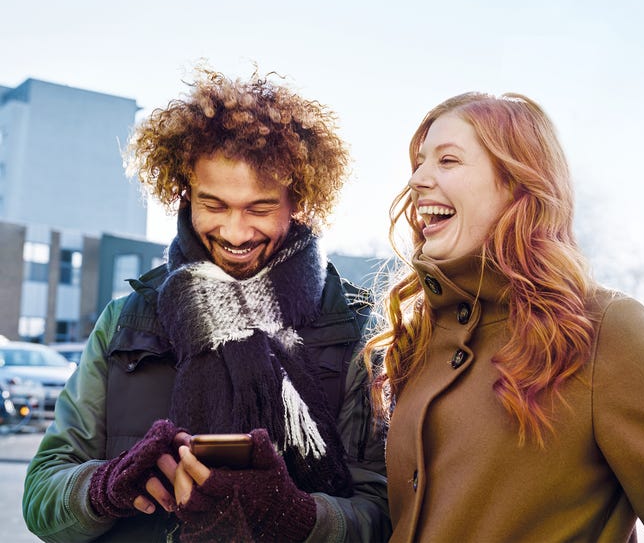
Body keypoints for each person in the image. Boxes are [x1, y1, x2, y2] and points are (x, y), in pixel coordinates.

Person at [364, 92, 644, 542]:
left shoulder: (607, 331)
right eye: (419, 163)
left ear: (517, 182)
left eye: (448, 161)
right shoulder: (419, 336)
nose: (418, 179)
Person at [23, 68, 389, 542]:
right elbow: (40, 496)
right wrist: (104, 489)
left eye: (259, 208)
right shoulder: (124, 322)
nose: (236, 233)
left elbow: (383, 515)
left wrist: (298, 516)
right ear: (183, 195)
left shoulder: (355, 333)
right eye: (214, 205)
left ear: (297, 201)